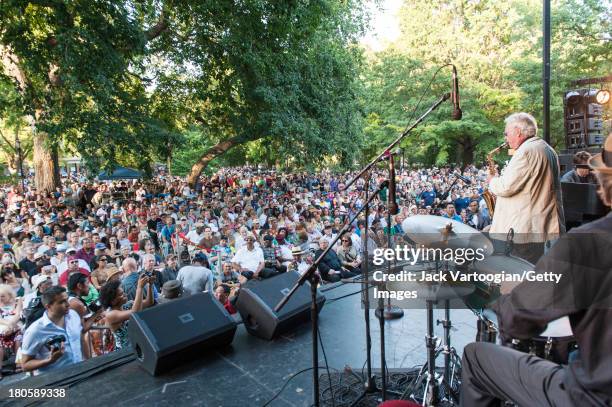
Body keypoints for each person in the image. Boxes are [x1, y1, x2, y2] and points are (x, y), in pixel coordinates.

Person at [461, 134, 612, 406]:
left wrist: (505, 297)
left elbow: (517, 320)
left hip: (594, 398)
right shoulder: (546, 152)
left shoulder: (588, 244)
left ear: (604, 181)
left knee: (476, 358)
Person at [487, 112, 565, 263]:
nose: (505, 138)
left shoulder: (526, 152)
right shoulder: (547, 149)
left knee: (519, 275)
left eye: (507, 133)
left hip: (523, 229)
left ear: (518, 131)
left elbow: (506, 187)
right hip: (537, 225)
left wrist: (492, 180)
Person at [20, 286, 84, 374]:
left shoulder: (73, 315)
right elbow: (25, 365)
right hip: (55, 381)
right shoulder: (35, 330)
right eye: (62, 302)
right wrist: (50, 360)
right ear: (48, 306)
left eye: (67, 299)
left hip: (80, 373)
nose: (68, 304)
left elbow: (80, 338)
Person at [99, 274, 154, 350]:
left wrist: (150, 285)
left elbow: (149, 302)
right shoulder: (111, 314)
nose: (125, 294)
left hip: (137, 345)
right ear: (113, 301)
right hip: (125, 351)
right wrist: (139, 287)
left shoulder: (128, 305)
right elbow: (135, 312)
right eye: (121, 294)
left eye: (123, 292)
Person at [0, 284, 24, 378]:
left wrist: (12, 326)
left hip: (16, 326)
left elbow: (18, 315)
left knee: (18, 339)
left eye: (2, 296)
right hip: (3, 328)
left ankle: (20, 364)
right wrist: (8, 326)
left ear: (9, 295)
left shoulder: (17, 301)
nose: (0, 298)